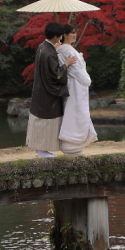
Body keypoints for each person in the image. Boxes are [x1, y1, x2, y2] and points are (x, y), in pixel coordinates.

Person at [26, 22, 77, 158]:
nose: (61, 36)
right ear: (56, 35)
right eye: (60, 34)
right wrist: (66, 64)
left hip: (40, 91)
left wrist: (55, 49)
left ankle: (40, 150)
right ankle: (42, 151)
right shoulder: (50, 53)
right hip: (48, 94)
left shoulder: (43, 47)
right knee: (46, 123)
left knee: (40, 122)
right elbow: (57, 75)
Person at [57, 24, 98, 156]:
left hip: (75, 86)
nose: (75, 35)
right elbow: (78, 72)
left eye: (75, 32)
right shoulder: (66, 50)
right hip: (75, 86)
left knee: (75, 111)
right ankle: (72, 142)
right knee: (75, 111)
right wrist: (88, 80)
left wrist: (79, 57)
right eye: (72, 33)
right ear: (65, 35)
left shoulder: (65, 50)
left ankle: (74, 142)